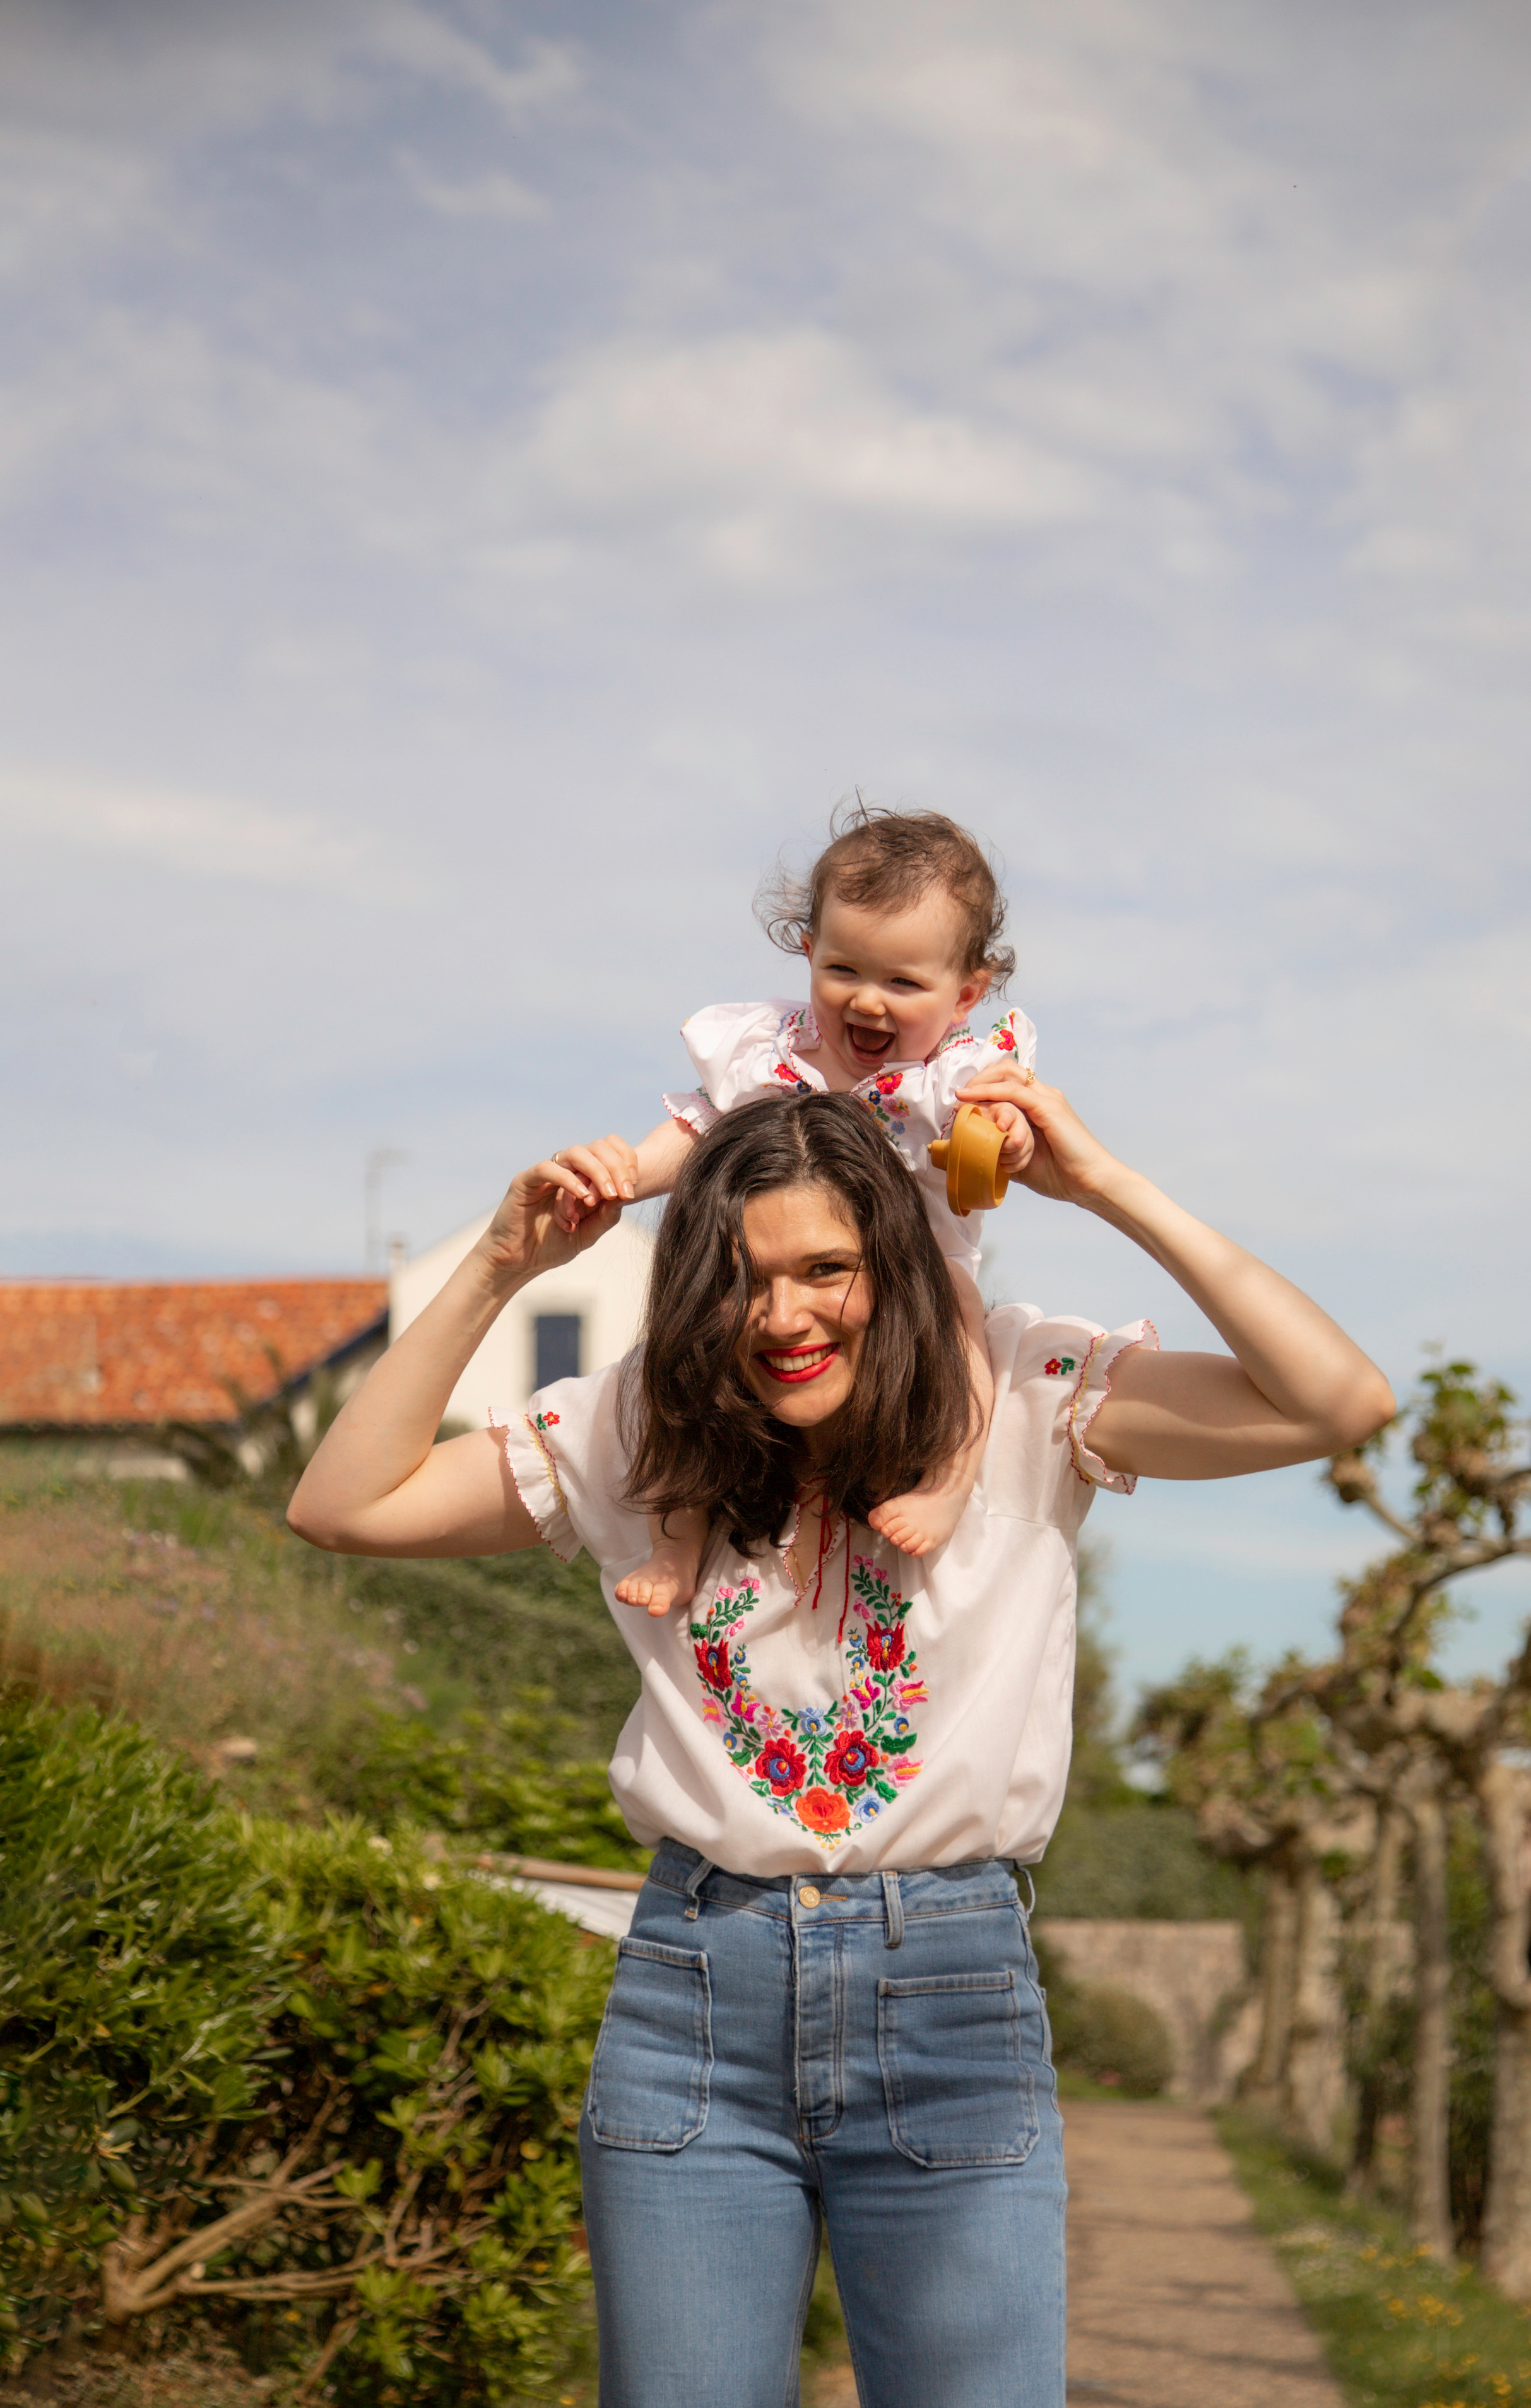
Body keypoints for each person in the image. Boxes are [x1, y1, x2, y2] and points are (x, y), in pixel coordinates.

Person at [288, 1072, 1393, 2408]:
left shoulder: (1029, 1393)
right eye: (740, 1279)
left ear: (898, 1264)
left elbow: (1336, 1402)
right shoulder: (634, 1432)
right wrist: (496, 1268)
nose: (782, 1317)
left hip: (949, 2000)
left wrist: (1104, 1186)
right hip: (692, 1999)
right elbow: (343, 1507)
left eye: (827, 1269)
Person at [546, 804, 1040, 1615]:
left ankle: (949, 1484)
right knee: (690, 1350)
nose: (868, 1002)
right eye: (844, 970)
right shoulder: (772, 1052)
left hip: (917, 1263)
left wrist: (1007, 1139)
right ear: (808, 952)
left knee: (964, 1335)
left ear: (965, 994)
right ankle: (676, 1536)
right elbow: (700, 1127)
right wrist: (625, 1177)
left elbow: (1000, 1132)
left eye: (903, 983)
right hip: (784, 1266)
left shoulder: (956, 1075)